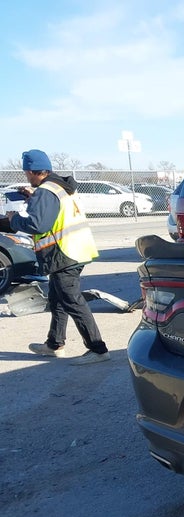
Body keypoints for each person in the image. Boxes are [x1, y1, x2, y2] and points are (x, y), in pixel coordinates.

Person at [0, 149, 110, 365]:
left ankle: (98, 349)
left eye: (26, 173)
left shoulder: (46, 191)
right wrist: (33, 199)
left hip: (63, 253)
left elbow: (37, 224)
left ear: (31, 172)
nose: (27, 177)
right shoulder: (59, 187)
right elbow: (55, 213)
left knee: (72, 300)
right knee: (57, 298)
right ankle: (54, 344)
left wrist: (13, 220)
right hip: (76, 250)